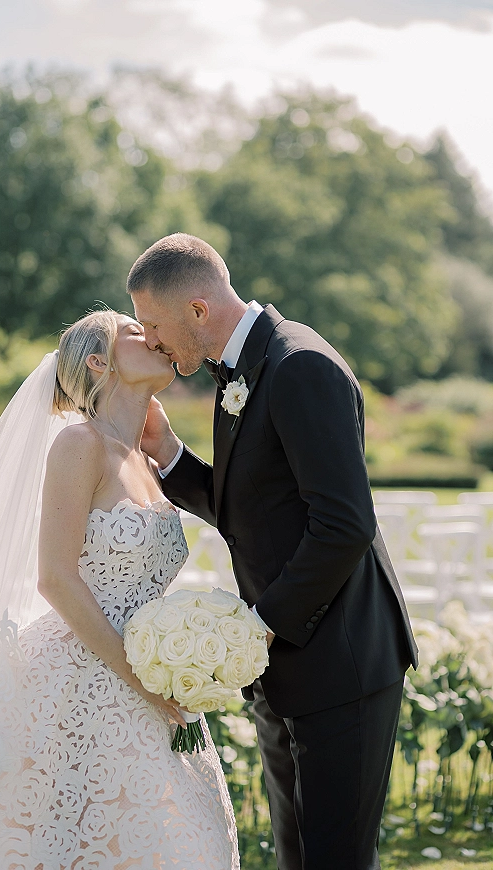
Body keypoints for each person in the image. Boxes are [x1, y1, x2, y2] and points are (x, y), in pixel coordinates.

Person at [128, 233, 419, 870]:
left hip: (340, 666)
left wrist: (255, 628)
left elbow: (343, 525)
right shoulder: (242, 371)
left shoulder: (299, 366)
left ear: (198, 310)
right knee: (298, 858)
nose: (150, 339)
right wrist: (171, 455)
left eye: (153, 323)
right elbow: (254, 510)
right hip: (284, 668)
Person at [0, 310, 239, 869]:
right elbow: (56, 579)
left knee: (183, 840)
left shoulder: (145, 459)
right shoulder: (79, 444)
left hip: (154, 677)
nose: (156, 338)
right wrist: (143, 681)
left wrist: (175, 666)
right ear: (98, 361)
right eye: (138, 333)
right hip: (84, 679)